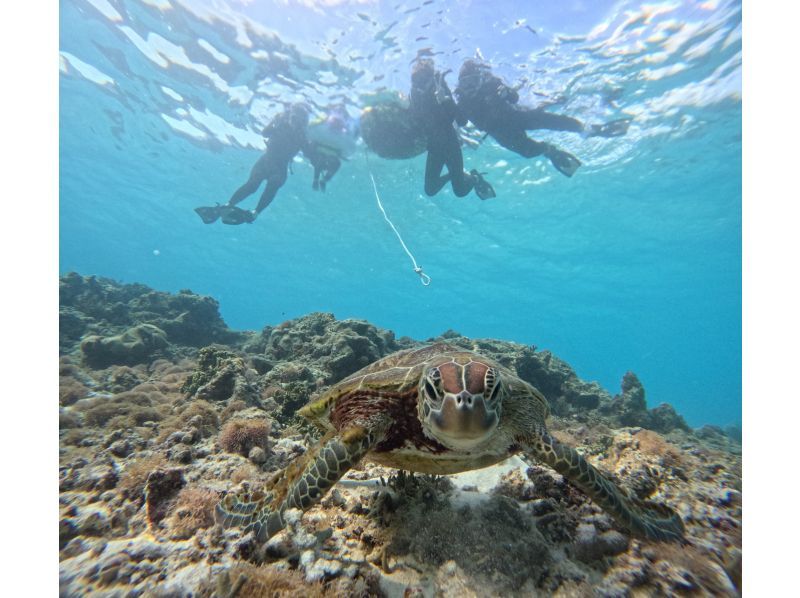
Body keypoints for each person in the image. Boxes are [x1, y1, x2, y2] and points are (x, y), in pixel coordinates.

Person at [455, 59, 631, 177]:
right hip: (500, 132)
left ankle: (587, 128)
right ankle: (549, 151)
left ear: (480, 79)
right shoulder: (462, 101)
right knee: (528, 151)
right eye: (465, 84)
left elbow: (514, 98)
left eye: (472, 82)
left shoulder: (491, 84)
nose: (469, 87)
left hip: (515, 116)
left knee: (549, 120)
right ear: (460, 85)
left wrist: (507, 93)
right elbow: (465, 123)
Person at [195, 102, 311, 225]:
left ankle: (246, 209)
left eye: (299, 120)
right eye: (294, 118)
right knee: (253, 186)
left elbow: (307, 151)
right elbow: (266, 133)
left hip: (272, 164)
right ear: (290, 115)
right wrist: (276, 121)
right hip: (272, 163)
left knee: (264, 188)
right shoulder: (286, 125)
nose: (295, 122)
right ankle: (235, 206)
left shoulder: (300, 133)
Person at [408, 58, 495, 200]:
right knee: (430, 189)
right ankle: (459, 174)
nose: (421, 88)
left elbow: (462, 121)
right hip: (434, 147)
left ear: (430, 80)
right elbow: (416, 125)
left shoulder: (440, 89)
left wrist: (446, 101)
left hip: (450, 144)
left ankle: (474, 178)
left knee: (460, 191)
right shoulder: (415, 97)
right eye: (417, 83)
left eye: (423, 82)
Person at [304, 104, 359, 192]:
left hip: (324, 157)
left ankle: (323, 180)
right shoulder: (321, 128)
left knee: (330, 163)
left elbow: (307, 132)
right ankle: (319, 179)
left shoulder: (320, 128)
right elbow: (350, 150)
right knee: (323, 161)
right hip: (322, 156)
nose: (336, 125)